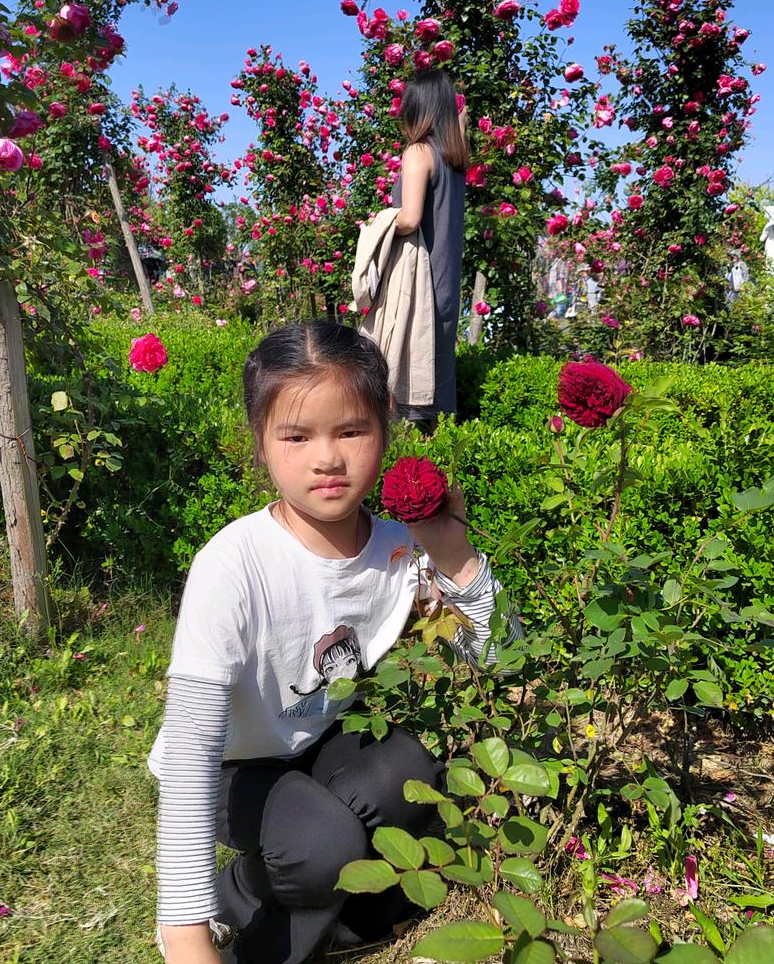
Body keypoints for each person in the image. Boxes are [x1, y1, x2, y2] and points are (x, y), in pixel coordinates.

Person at [149, 320, 520, 964]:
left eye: (351, 430)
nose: (327, 457)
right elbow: (190, 753)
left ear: (385, 430)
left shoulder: (398, 548)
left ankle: (282, 890)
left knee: (413, 776)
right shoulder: (234, 566)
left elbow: (496, 660)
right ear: (262, 445)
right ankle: (239, 903)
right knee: (323, 847)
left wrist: (454, 555)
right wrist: (185, 929)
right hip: (233, 768)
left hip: (316, 741)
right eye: (296, 436)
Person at [391, 70, 469, 431]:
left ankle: (409, 467)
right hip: (446, 283)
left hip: (419, 281)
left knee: (408, 377)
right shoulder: (454, 160)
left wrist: (376, 225)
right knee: (437, 373)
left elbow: (409, 218)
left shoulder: (419, 152)